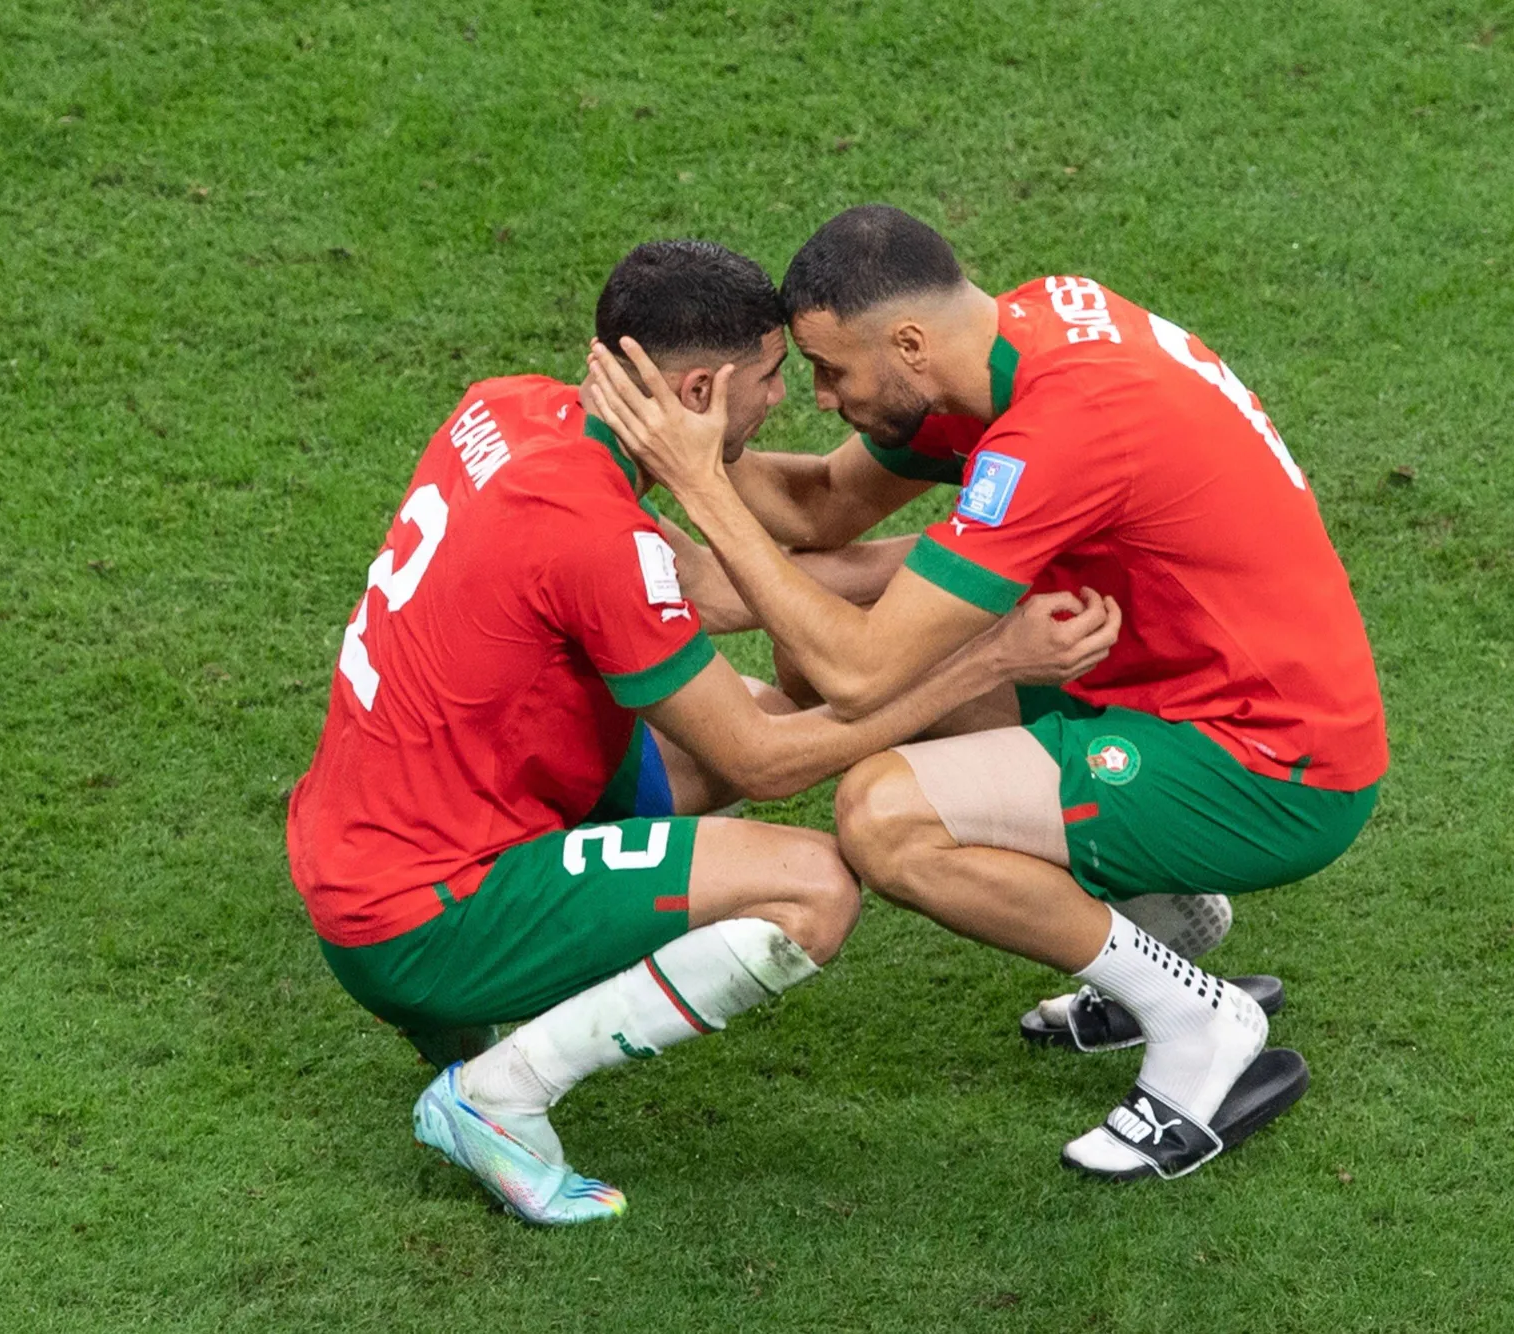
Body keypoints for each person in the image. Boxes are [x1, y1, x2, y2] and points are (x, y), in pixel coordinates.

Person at [285, 239, 1119, 1226]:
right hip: (421, 914)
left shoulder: (505, 408)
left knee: (763, 700)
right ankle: (494, 1096)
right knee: (810, 886)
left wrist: (962, 561)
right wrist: (984, 659)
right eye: (770, 377)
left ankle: (463, 1027)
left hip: (367, 841)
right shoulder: (594, 537)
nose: (789, 398)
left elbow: (714, 593)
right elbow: (761, 767)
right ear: (694, 391)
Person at [583, 206, 1387, 1181]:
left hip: (1271, 769)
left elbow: (860, 669)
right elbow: (817, 509)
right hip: (1173, 694)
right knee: (822, 663)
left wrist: (700, 499)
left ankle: (1200, 1023)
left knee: (881, 816)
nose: (825, 399)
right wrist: (696, 435)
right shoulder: (1018, 334)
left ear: (908, 342)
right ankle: (1161, 915)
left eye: (833, 371)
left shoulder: (1060, 428)